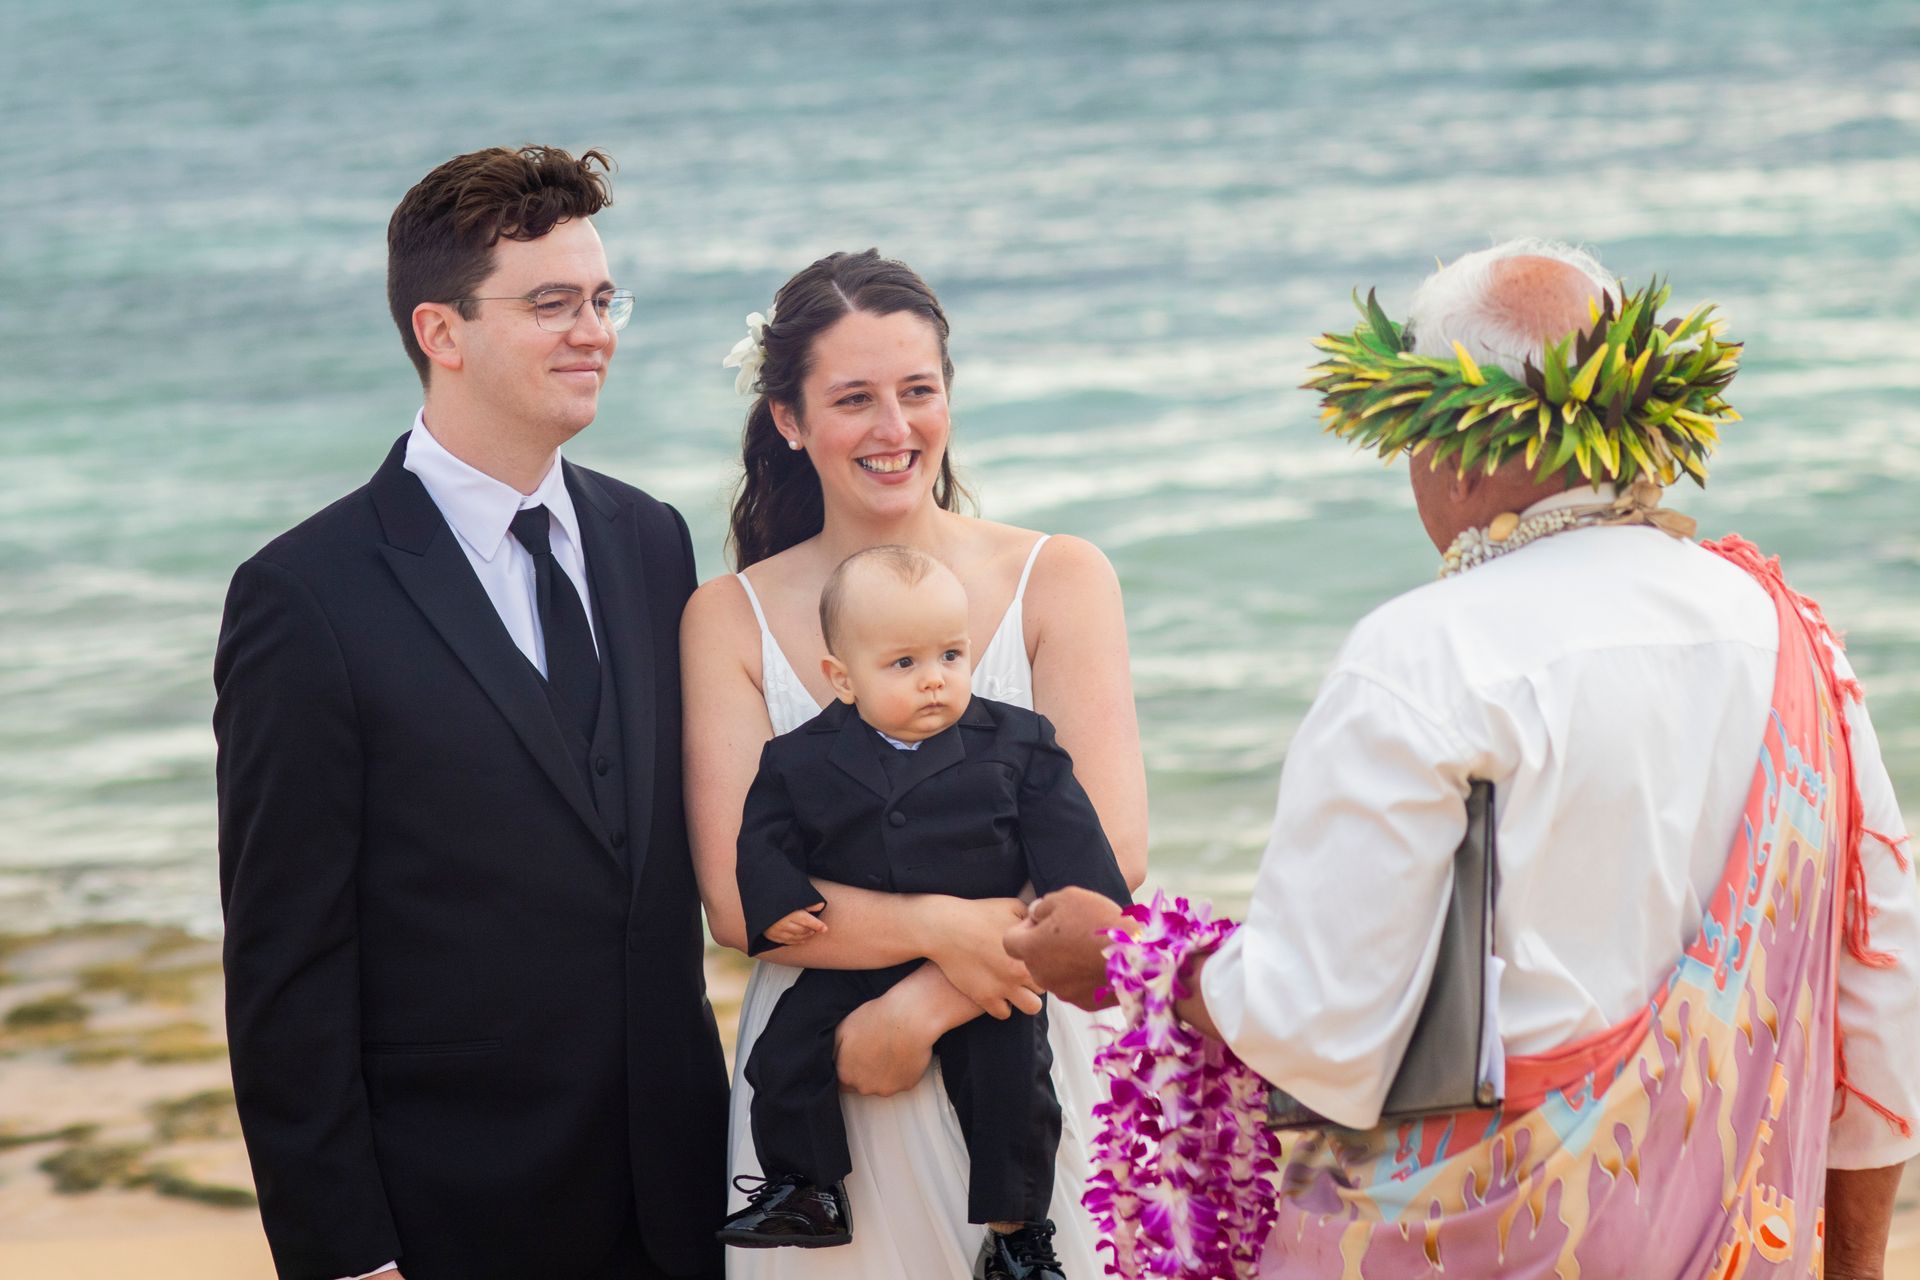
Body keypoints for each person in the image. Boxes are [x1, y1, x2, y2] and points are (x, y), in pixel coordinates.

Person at [1007, 240, 1920, 1278]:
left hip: (1481, 1240)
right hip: (1739, 1242)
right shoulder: (1787, 632)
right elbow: (1880, 988)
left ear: (1457, 445)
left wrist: (1133, 959)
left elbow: (1324, 1027)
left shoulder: (1426, 651)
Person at [214, 145, 728, 1280]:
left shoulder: (652, 539)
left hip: (681, 1199)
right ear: (440, 333)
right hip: (452, 1216)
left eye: (602, 299)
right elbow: (283, 960)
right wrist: (344, 1251)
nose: (594, 330)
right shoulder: (303, 596)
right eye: (551, 303)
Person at [681, 248, 1150, 1280]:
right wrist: (943, 926)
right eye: (854, 398)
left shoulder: (1058, 576)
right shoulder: (732, 616)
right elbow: (735, 896)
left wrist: (925, 1001)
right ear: (791, 420)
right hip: (827, 1077)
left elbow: (1112, 844)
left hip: (1027, 1036)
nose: (896, 431)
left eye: (918, 391)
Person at [719, 546, 1131, 1270]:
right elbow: (764, 839)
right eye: (903, 664)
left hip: (980, 974)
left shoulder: (1018, 742)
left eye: (951, 653)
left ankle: (1017, 1236)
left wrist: (1081, 917)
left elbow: (1072, 840)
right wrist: (778, 899)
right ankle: (807, 1187)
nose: (935, 678)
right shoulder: (799, 760)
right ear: (842, 679)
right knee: (781, 1052)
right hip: (858, 958)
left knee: (1014, 1083)